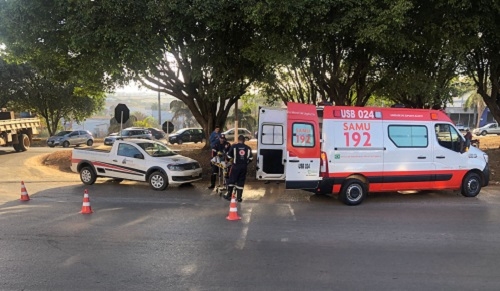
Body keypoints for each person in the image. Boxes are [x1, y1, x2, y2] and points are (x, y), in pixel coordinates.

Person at [223, 135, 253, 202]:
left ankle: (229, 195)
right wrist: (245, 163)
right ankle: (239, 197)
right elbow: (251, 158)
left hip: (236, 166)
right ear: (244, 140)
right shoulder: (248, 148)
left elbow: (228, 156)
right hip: (244, 167)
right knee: (241, 181)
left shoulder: (234, 147)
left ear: (238, 139)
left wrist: (227, 161)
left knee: (232, 180)